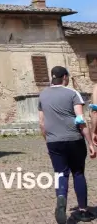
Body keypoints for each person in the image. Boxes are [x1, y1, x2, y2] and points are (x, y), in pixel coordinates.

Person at [40, 66, 97, 223]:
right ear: (65, 77)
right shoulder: (72, 93)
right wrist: (90, 142)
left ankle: (60, 198)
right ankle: (83, 211)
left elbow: (42, 123)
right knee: (78, 173)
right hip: (74, 140)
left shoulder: (43, 95)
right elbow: (80, 120)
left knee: (60, 173)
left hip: (54, 142)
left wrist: (48, 141)